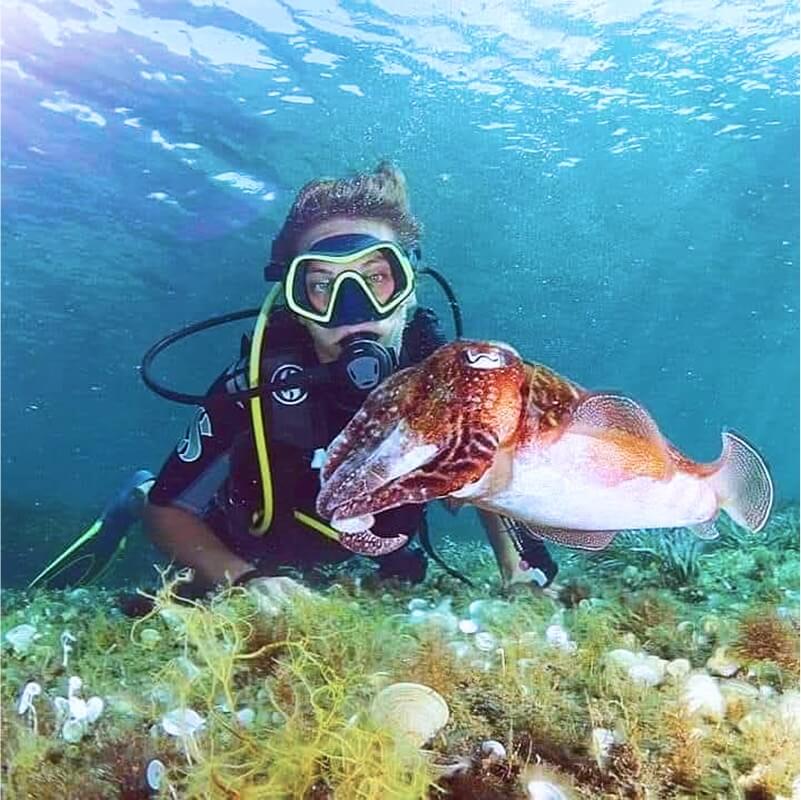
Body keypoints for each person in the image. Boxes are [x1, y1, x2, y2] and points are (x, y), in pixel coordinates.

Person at [31, 162, 557, 605]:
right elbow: (171, 511)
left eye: (376, 278)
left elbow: (490, 472)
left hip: (361, 543)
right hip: (246, 536)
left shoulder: (451, 386)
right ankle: (132, 495)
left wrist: (515, 566)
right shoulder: (255, 388)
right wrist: (244, 578)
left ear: (410, 288)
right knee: (164, 521)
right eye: (322, 286)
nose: (353, 313)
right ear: (296, 304)